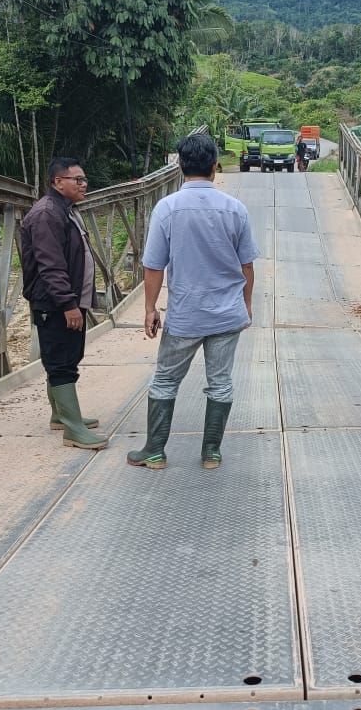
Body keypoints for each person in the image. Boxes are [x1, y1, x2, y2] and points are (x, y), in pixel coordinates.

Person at [127, 134, 259, 470]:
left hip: (186, 313)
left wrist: (149, 307)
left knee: (166, 379)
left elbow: (154, 264)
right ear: (215, 166)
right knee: (221, 381)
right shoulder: (235, 209)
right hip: (227, 313)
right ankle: (211, 452)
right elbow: (247, 266)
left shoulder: (168, 208)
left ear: (179, 166)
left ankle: (154, 451)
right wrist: (246, 305)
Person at [20, 157, 110, 450]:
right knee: (61, 362)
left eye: (85, 180)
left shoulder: (66, 210)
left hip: (67, 299)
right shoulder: (47, 214)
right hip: (55, 303)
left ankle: (61, 415)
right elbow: (51, 266)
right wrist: (68, 304)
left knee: (66, 357)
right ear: (58, 182)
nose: (84, 184)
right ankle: (72, 430)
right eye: (78, 180)